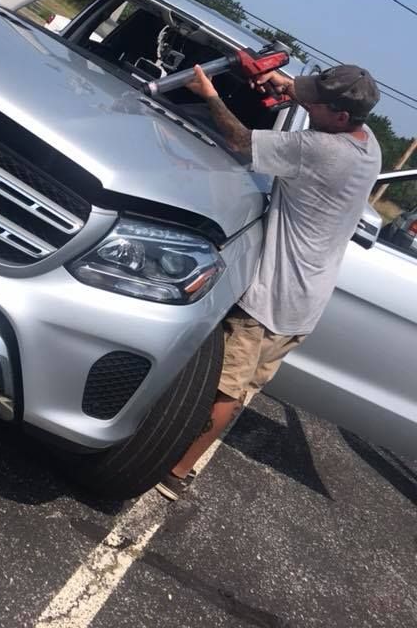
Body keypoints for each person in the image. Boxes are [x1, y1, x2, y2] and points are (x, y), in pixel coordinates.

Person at [156, 63, 382, 500]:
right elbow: (316, 109)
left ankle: (171, 471)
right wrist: (290, 86)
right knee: (244, 390)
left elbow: (240, 141)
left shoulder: (320, 150)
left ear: (339, 116)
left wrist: (209, 94)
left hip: (269, 299)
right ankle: (183, 468)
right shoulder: (367, 144)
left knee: (222, 388)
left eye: (314, 102)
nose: (307, 103)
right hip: (305, 306)